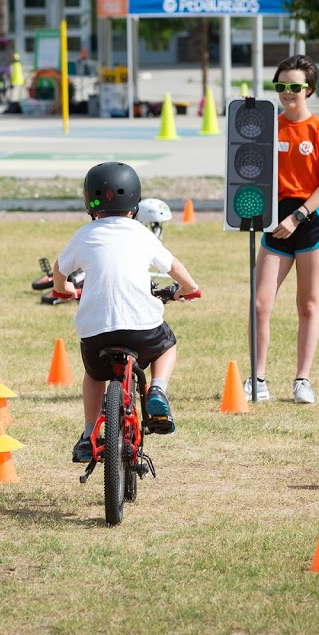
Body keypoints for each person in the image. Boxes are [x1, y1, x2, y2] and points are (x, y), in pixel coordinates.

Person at [53, 162, 199, 463]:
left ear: (89, 203)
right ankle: (157, 390)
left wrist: (63, 288)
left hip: (96, 330)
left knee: (94, 376)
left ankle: (88, 433)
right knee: (167, 347)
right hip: (142, 327)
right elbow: (172, 266)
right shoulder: (141, 233)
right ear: (134, 204)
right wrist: (189, 287)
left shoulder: (85, 234)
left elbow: (60, 269)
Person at [244, 54, 319, 404]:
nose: (288, 92)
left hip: (311, 220)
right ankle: (257, 379)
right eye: (281, 86)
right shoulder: (269, 126)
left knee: (308, 304)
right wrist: (248, 117)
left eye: (295, 87)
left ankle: (302, 380)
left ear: (309, 89)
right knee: (260, 303)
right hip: (276, 220)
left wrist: (299, 216)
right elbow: (247, 157)